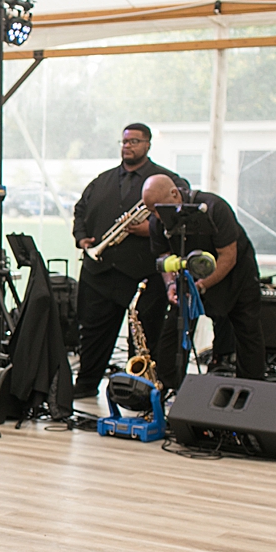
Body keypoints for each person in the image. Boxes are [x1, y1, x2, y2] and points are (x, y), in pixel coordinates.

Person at [71, 124, 191, 398]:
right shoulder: (103, 180)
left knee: (146, 336)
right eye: (124, 141)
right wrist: (82, 238)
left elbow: (179, 217)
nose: (128, 146)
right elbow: (80, 210)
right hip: (101, 271)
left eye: (135, 141)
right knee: (93, 333)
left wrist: (149, 228)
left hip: (144, 273)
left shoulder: (166, 181)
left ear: (147, 144)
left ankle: (145, 390)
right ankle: (87, 384)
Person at [144, 174, 265, 388]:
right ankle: (168, 391)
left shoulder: (214, 208)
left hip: (235, 277)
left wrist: (201, 285)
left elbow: (228, 256)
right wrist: (171, 284)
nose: (155, 216)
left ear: (174, 194)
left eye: (157, 208)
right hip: (189, 280)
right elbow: (163, 257)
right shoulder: (157, 221)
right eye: (150, 211)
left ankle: (251, 393)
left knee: (248, 336)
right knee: (172, 336)